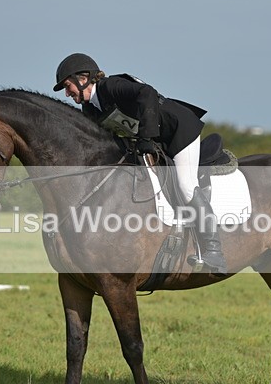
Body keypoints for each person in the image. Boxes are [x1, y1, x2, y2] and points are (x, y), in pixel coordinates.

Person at [53, 53, 227, 275]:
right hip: (158, 139)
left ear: (84, 78)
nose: (68, 94)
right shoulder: (91, 109)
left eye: (68, 86)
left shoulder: (110, 86)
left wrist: (146, 137)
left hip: (178, 131)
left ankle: (215, 252)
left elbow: (147, 93)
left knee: (185, 185)